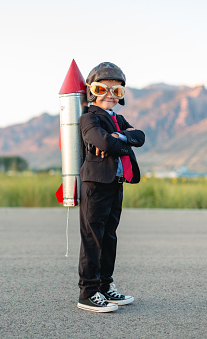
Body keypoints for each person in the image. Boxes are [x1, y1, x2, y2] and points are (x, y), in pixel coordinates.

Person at [77, 62, 145, 313]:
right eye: (103, 89)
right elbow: (102, 142)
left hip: (115, 184)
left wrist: (121, 138)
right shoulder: (89, 118)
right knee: (92, 238)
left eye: (117, 91)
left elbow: (141, 136)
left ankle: (105, 286)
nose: (109, 95)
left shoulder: (118, 119)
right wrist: (120, 141)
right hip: (96, 185)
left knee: (109, 237)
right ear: (92, 91)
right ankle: (88, 292)